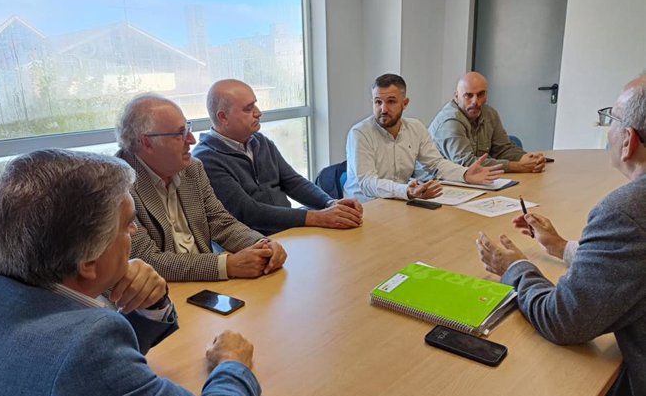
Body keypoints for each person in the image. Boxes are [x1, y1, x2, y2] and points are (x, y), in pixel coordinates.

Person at [0, 149, 261, 396]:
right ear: (88, 262)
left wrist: (149, 303)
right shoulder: (80, 355)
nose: (133, 235)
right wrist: (233, 364)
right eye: (129, 225)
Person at [475, 75, 646, 396]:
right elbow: (632, 264)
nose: (607, 129)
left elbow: (563, 319)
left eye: (611, 119)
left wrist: (516, 267)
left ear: (628, 141)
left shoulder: (625, 212)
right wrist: (561, 247)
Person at [116, 93, 287, 281]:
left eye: (188, 129)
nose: (191, 140)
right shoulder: (117, 185)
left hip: (208, 287)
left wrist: (263, 244)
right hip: (164, 293)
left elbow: (220, 222)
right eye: (180, 133)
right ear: (147, 142)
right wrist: (226, 265)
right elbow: (147, 259)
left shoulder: (192, 168)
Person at [192, 79, 363, 235]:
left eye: (255, 105)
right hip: (251, 246)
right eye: (248, 109)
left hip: (287, 232)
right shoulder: (206, 159)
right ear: (223, 117)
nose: (258, 113)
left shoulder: (260, 142)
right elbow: (249, 212)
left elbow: (293, 182)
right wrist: (318, 218)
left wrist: (330, 203)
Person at [344, 73, 505, 203]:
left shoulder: (415, 128)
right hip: (364, 208)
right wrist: (405, 190)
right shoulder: (360, 133)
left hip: (399, 202)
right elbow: (367, 183)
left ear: (405, 103)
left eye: (391, 101)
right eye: (377, 102)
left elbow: (436, 164)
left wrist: (465, 174)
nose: (383, 109)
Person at [429, 72, 546, 173]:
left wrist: (528, 158)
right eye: (468, 95)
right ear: (456, 96)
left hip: (469, 181)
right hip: (435, 184)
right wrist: (518, 166)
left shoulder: (490, 114)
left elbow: (503, 149)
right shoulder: (450, 121)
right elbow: (466, 164)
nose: (475, 101)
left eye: (480, 94)